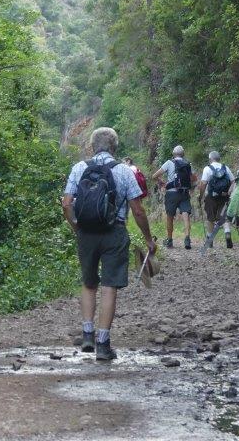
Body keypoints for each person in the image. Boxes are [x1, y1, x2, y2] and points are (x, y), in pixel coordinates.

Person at [62, 127, 156, 361]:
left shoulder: (79, 168)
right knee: (109, 286)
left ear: (92, 147)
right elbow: (137, 209)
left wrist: (77, 229)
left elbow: (66, 203)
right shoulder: (124, 171)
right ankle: (103, 344)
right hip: (115, 232)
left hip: (86, 233)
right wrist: (147, 238)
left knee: (88, 283)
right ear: (115, 147)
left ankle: (87, 334)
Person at [152, 145, 196, 249]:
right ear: (183, 154)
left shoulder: (169, 163)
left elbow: (154, 176)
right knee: (186, 215)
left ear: (173, 154)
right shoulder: (188, 164)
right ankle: (187, 239)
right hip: (184, 193)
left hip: (171, 193)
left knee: (170, 217)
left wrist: (162, 182)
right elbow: (193, 178)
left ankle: (170, 240)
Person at [199, 151, 235, 248]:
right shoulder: (225, 168)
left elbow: (203, 184)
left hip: (211, 197)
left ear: (210, 159)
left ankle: (209, 240)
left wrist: (201, 196)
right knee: (223, 217)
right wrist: (229, 192)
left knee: (210, 218)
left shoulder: (207, 169)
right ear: (219, 158)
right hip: (224, 196)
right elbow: (233, 181)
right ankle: (227, 233)